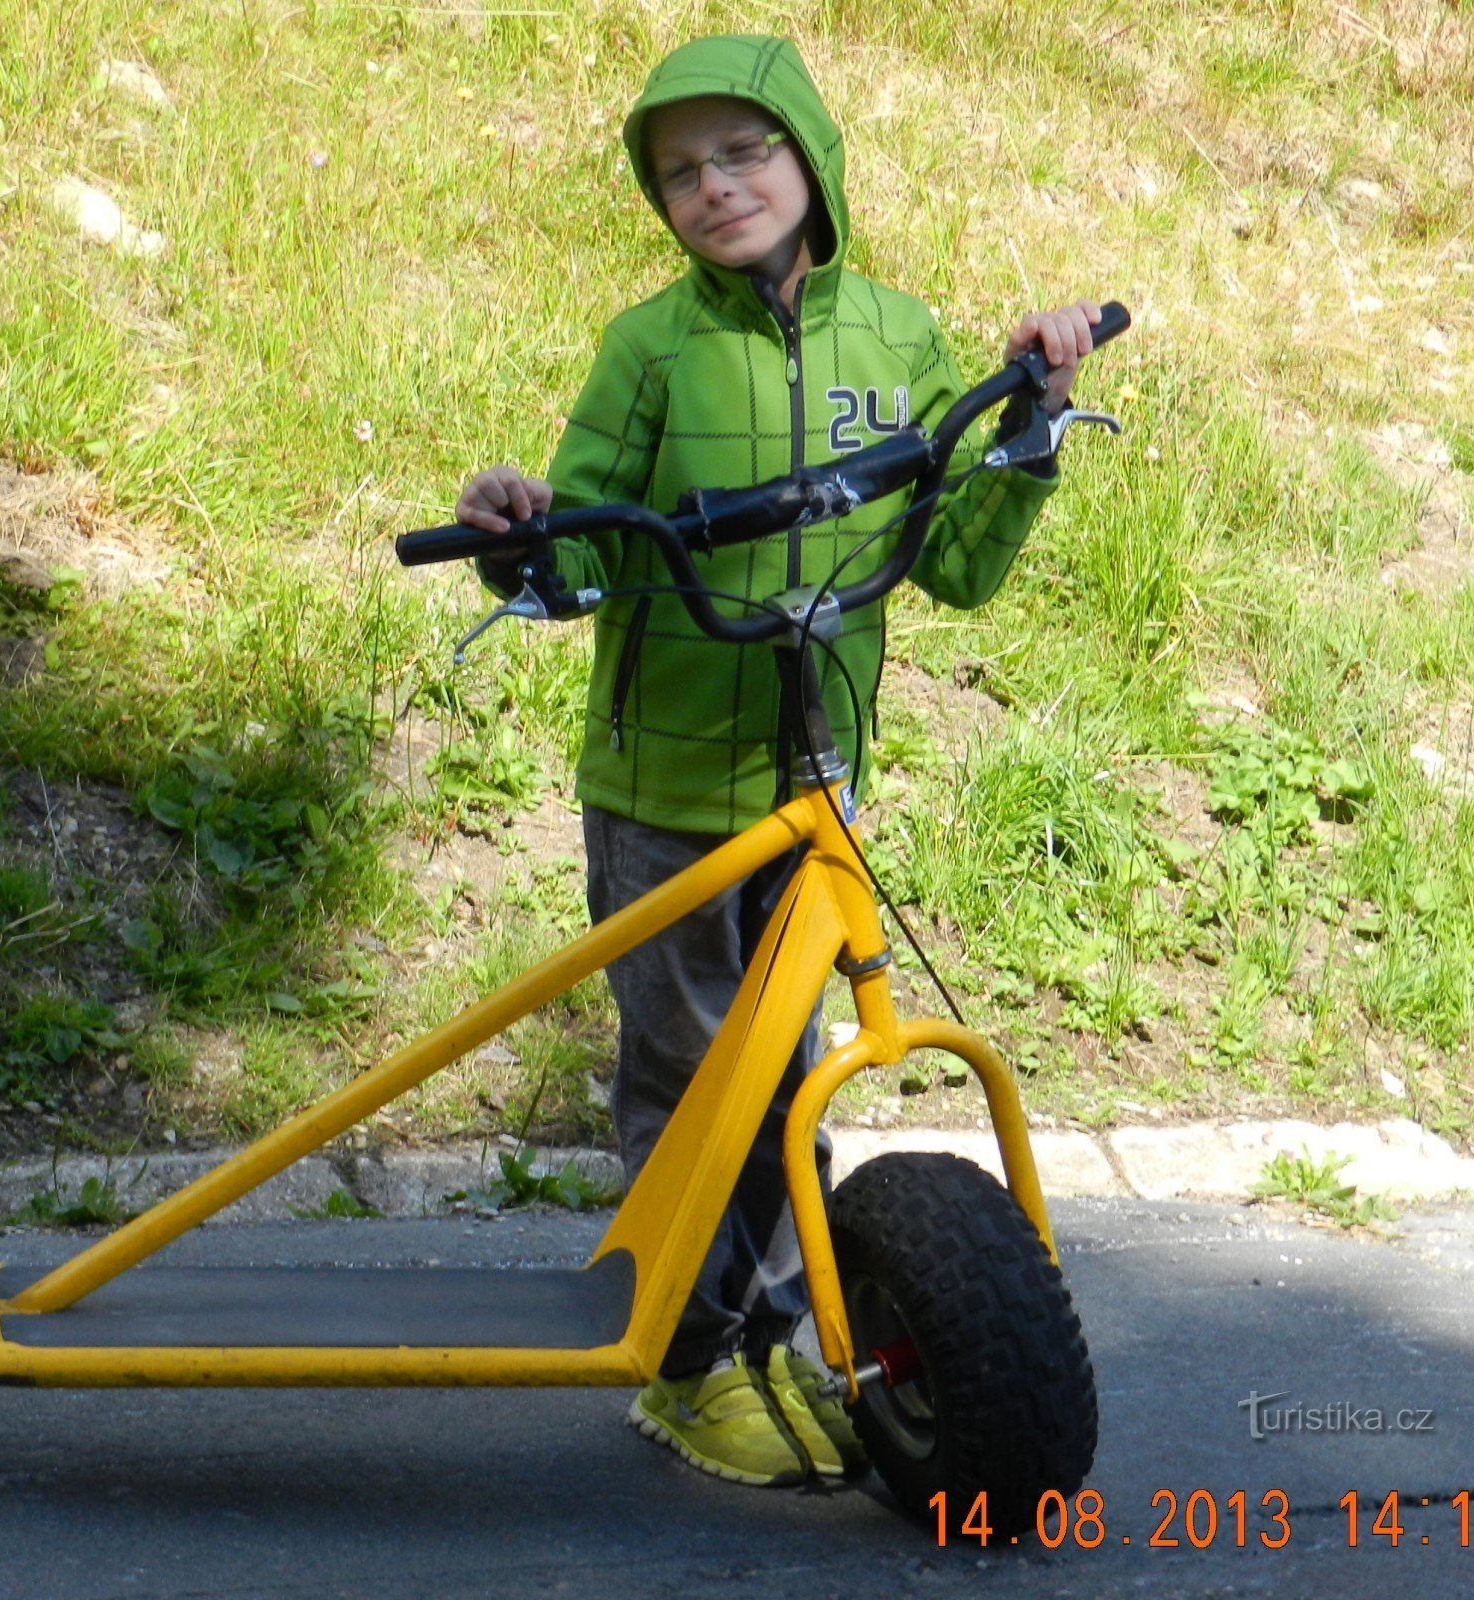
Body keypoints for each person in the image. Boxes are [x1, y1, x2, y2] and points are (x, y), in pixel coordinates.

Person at [452, 34, 1099, 1488]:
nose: (714, 187)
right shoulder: (652, 349)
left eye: (744, 152)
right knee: (694, 1083)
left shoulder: (903, 340)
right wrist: (521, 540)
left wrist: (1033, 424)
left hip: (813, 792)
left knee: (784, 1075)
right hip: (665, 799)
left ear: (812, 156)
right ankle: (689, 1367)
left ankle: (787, 1342)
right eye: (680, 172)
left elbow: (966, 568)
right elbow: (588, 560)